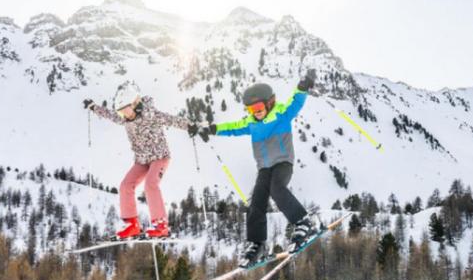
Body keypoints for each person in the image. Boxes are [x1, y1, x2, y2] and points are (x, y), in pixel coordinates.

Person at [195, 70, 318, 267]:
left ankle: (303, 221)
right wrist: (212, 129)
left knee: (277, 189)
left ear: (269, 103)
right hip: (264, 168)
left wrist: (303, 87)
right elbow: (232, 127)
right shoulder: (251, 124)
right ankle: (257, 243)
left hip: (283, 162)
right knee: (256, 201)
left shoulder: (282, 115)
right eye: (251, 110)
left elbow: (296, 102)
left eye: (259, 107)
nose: (256, 112)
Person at [83, 81, 192, 239]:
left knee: (150, 184)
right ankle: (132, 225)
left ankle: (161, 225)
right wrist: (94, 107)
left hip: (160, 158)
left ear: (134, 103)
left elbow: (173, 120)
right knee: (125, 186)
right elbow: (111, 115)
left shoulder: (151, 114)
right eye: (121, 113)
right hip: (141, 161)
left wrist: (193, 127)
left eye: (125, 111)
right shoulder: (127, 120)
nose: (124, 115)